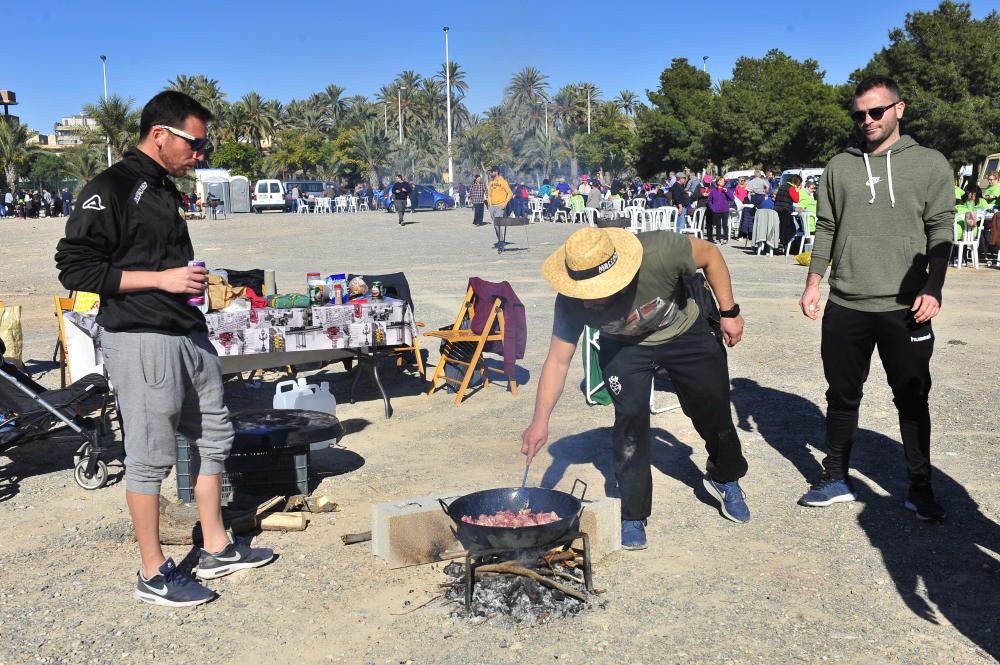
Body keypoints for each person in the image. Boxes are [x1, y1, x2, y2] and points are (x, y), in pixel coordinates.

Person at [54, 90, 274, 607]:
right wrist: (165, 280)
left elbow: (158, 262)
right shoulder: (111, 187)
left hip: (186, 332)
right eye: (195, 144)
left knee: (215, 435)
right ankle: (153, 572)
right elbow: (75, 268)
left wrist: (193, 285)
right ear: (161, 135)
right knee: (150, 456)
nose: (202, 154)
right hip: (141, 337)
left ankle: (216, 545)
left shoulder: (162, 188)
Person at [521, 227, 750, 549]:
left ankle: (724, 476)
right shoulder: (571, 302)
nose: (586, 302)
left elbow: (711, 254)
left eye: (595, 291)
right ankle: (633, 512)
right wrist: (540, 421)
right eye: (580, 291)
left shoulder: (659, 252)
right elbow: (558, 362)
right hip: (625, 348)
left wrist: (729, 312)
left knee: (712, 407)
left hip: (684, 331)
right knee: (630, 423)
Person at [798, 76, 954, 521]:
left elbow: (942, 227)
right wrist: (814, 280)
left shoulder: (929, 163)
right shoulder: (839, 166)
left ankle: (920, 486)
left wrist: (934, 286)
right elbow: (826, 227)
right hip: (846, 303)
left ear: (899, 110)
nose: (866, 120)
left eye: (876, 112)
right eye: (859, 114)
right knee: (841, 396)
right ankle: (835, 476)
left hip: (907, 306)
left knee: (911, 396)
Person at [773, 174, 802, 250]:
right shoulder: (791, 188)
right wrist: (797, 191)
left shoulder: (782, 186)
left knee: (781, 228)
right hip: (785, 210)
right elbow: (796, 199)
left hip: (777, 209)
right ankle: (786, 245)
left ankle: (781, 244)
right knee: (790, 229)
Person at [487, 167, 513, 245]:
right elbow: (489, 194)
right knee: (495, 225)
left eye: (492, 171)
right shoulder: (491, 183)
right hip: (492, 207)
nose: (490, 173)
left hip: (500, 206)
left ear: (497, 172)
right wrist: (490, 204)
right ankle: (500, 240)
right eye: (490, 172)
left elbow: (510, 193)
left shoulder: (503, 181)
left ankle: (501, 241)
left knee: (497, 223)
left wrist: (505, 204)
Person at [706, 177, 734, 244]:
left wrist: (726, 191)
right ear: (718, 182)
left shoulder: (726, 190)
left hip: (724, 210)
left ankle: (725, 238)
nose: (723, 182)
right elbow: (709, 200)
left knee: (725, 224)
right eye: (721, 181)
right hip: (716, 210)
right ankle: (718, 238)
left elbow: (732, 198)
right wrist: (712, 207)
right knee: (718, 225)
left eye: (724, 181)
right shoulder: (713, 191)